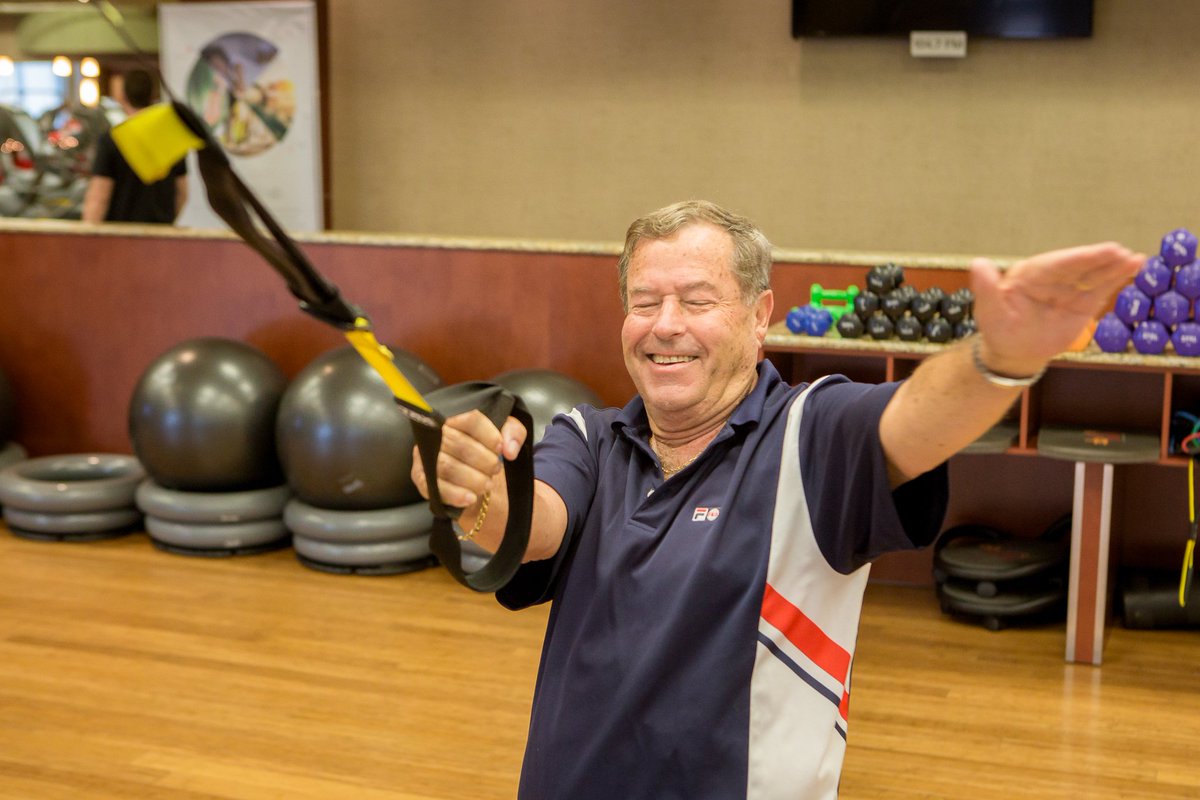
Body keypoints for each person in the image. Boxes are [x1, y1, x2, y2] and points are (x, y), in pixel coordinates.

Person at [411, 200, 1143, 799]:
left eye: (696, 301)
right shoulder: (588, 437)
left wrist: (1001, 359)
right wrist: (468, 488)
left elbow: (919, 417)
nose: (665, 324)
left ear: (760, 317)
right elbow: (532, 525)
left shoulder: (811, 435)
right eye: (645, 302)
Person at [82, 69, 188, 224]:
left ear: (122, 97)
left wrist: (88, 236)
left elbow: (100, 196)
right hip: (162, 236)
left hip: (120, 237)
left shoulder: (113, 138)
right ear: (153, 95)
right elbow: (182, 193)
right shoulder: (171, 137)